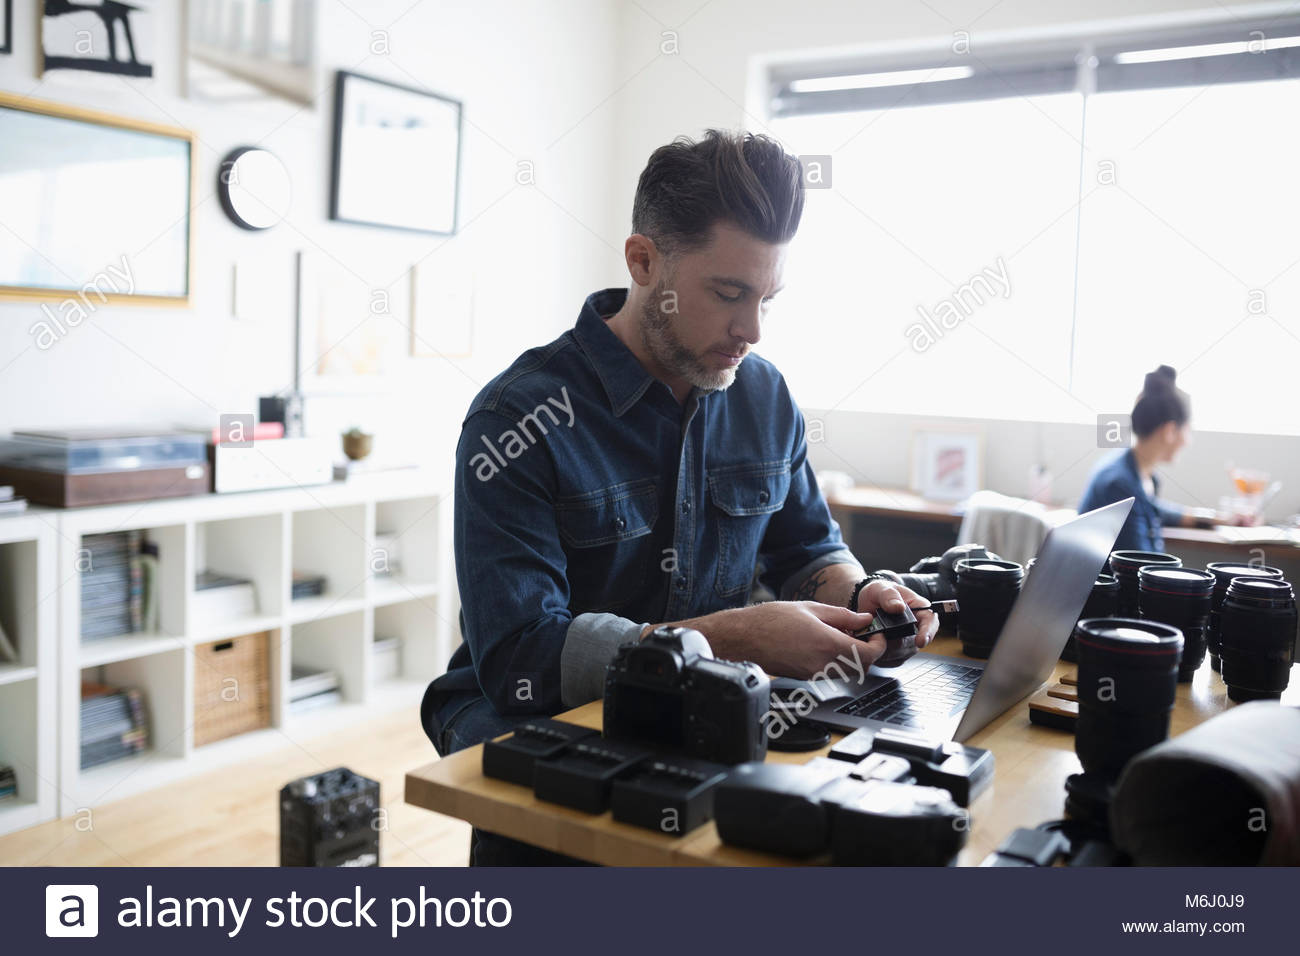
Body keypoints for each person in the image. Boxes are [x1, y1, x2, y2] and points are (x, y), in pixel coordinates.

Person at [419, 129, 939, 864]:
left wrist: (863, 594)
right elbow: (520, 658)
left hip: (722, 740)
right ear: (643, 261)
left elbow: (808, 547)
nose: (751, 330)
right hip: (556, 755)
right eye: (728, 294)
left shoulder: (763, 394)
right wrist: (737, 638)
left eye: (767, 299)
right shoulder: (519, 421)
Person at [1077, 365, 1216, 552]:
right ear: (1169, 431)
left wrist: (1220, 518)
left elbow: (1154, 510)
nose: (1188, 441)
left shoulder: (1137, 474)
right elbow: (1139, 567)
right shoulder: (1120, 484)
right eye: (1188, 430)